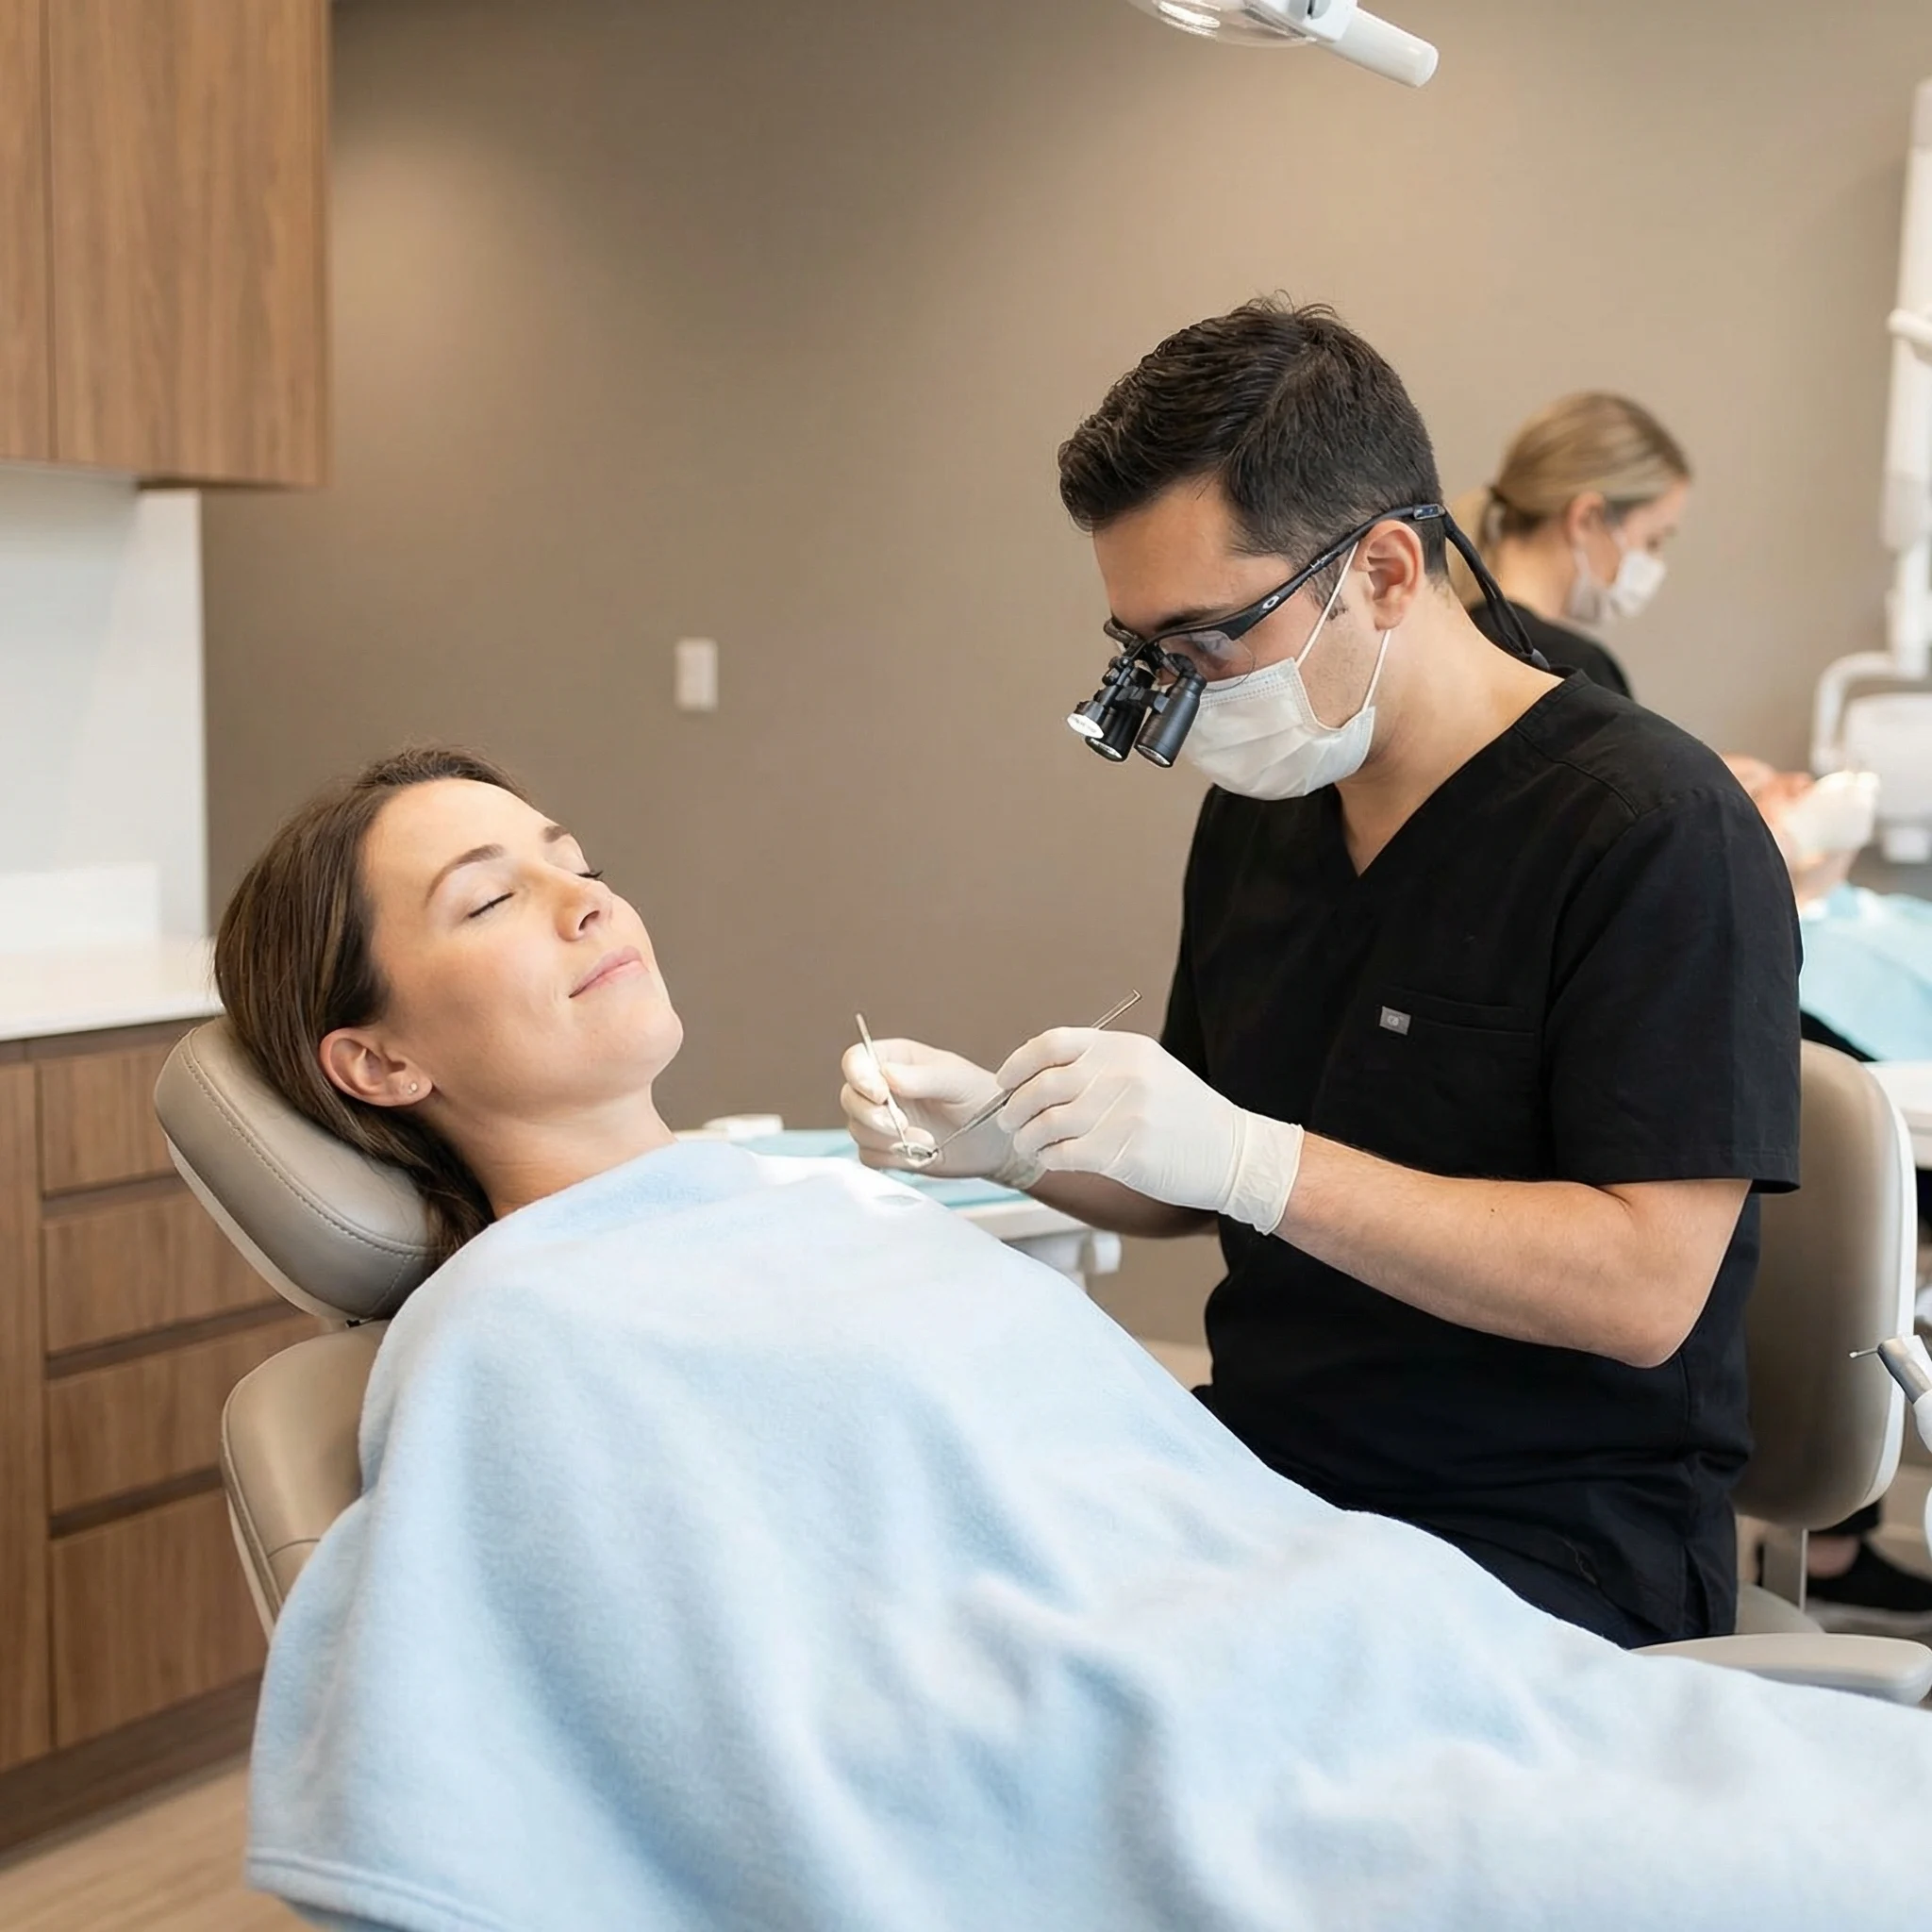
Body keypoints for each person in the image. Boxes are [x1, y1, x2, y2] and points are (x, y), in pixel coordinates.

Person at [219, 747, 1930, 1930]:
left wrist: (1072, 1156)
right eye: (489, 898)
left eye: (576, 860)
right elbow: (759, 1694)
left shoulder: (789, 1204)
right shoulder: (518, 1332)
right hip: (1153, 1759)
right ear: (376, 1061)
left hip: (1351, 1644)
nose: (586, 900)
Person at [842, 299, 1801, 1649]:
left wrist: (1258, 1161)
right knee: (923, 1589)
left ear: (1388, 572)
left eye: (1207, 641)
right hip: (1267, 1476)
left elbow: (1642, 1291)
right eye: (1146, 652)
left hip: (1545, 1533)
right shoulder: (1265, 814)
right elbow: (1191, 1170)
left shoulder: (1651, 829)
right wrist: (1005, 1139)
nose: (1179, 694)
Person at [1448, 391, 1690, 697]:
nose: (1656, 564)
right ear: (1587, 518)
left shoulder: (1455, 641)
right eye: (1652, 541)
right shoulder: (1576, 672)